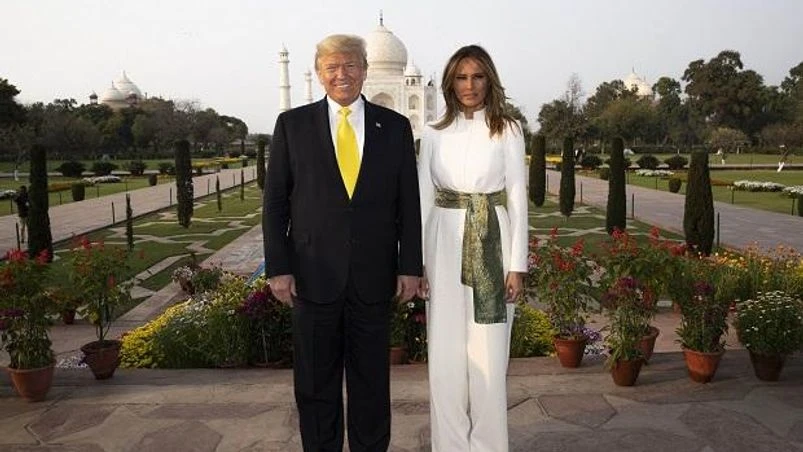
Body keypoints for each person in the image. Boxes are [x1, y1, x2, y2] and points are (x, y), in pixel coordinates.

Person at [263, 34, 422, 452]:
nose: (342, 74)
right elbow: (275, 203)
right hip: (313, 277)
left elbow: (409, 203)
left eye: (350, 65)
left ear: (366, 70)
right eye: (332, 67)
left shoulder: (395, 128)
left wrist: (410, 267)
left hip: (373, 276)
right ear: (319, 74)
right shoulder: (292, 126)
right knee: (315, 385)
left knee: (371, 384)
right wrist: (279, 267)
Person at [417, 45, 528, 452]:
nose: (469, 85)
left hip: (492, 243)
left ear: (489, 80)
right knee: (445, 356)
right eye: (461, 77)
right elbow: (423, 198)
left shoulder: (508, 130)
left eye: (477, 76)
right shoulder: (433, 132)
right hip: (442, 244)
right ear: (450, 82)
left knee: (489, 352)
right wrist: (419, 265)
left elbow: (516, 196)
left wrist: (517, 265)